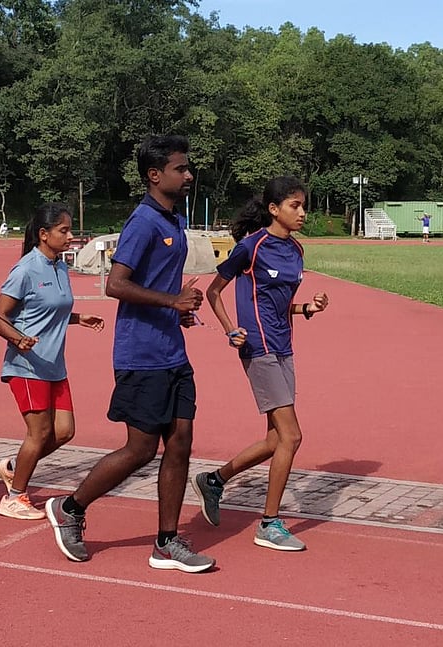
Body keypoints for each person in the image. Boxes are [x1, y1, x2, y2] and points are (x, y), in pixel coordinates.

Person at [45, 134, 215, 573]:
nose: (189, 174)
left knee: (180, 444)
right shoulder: (143, 222)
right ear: (155, 175)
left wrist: (178, 310)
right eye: (181, 168)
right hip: (140, 355)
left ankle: (166, 542)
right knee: (140, 449)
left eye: (187, 167)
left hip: (172, 353)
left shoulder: (174, 220)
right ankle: (71, 507)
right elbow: (114, 285)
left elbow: (158, 286)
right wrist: (170, 302)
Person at [192, 176, 329, 551]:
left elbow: (280, 304)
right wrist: (229, 329)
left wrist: (307, 308)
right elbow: (213, 291)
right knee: (292, 436)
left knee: (275, 439)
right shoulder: (250, 248)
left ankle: (215, 480)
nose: (302, 213)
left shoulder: (296, 251)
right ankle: (269, 523)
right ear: (274, 209)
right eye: (294, 206)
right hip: (259, 349)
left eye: (303, 206)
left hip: (284, 348)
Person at [0, 203, 104, 520]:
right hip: (27, 366)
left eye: (70, 230)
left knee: (64, 431)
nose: (70, 236)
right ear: (44, 234)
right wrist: (17, 338)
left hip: (54, 365)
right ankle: (14, 497)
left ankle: (14, 467)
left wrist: (79, 318)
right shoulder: (26, 270)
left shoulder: (60, 267)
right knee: (38, 433)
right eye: (63, 231)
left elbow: (49, 310)